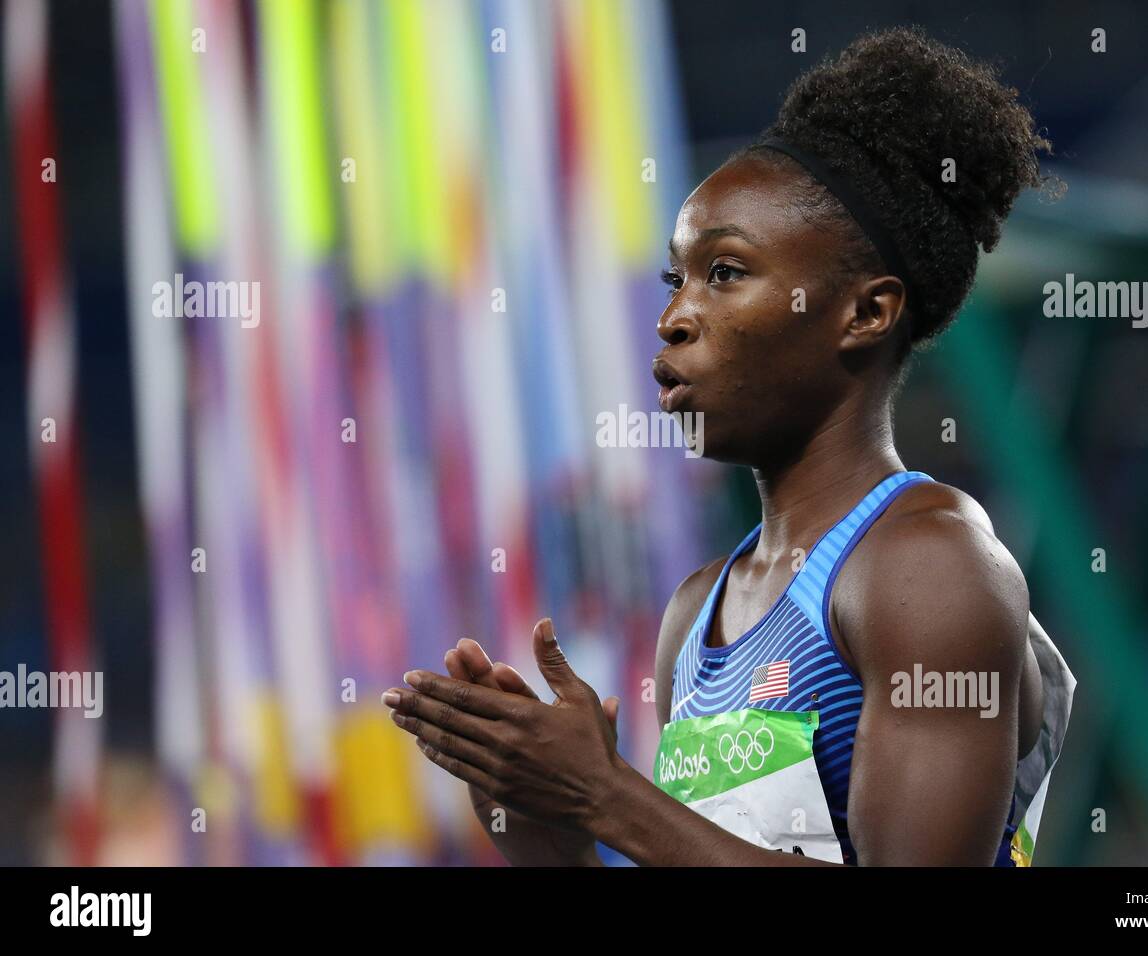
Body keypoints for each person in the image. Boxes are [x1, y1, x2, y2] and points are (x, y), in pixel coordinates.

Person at [383, 25, 1075, 866]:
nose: (675, 314)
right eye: (677, 277)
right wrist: (545, 824)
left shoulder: (927, 568)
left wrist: (608, 794)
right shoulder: (696, 611)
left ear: (865, 313)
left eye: (727, 272)